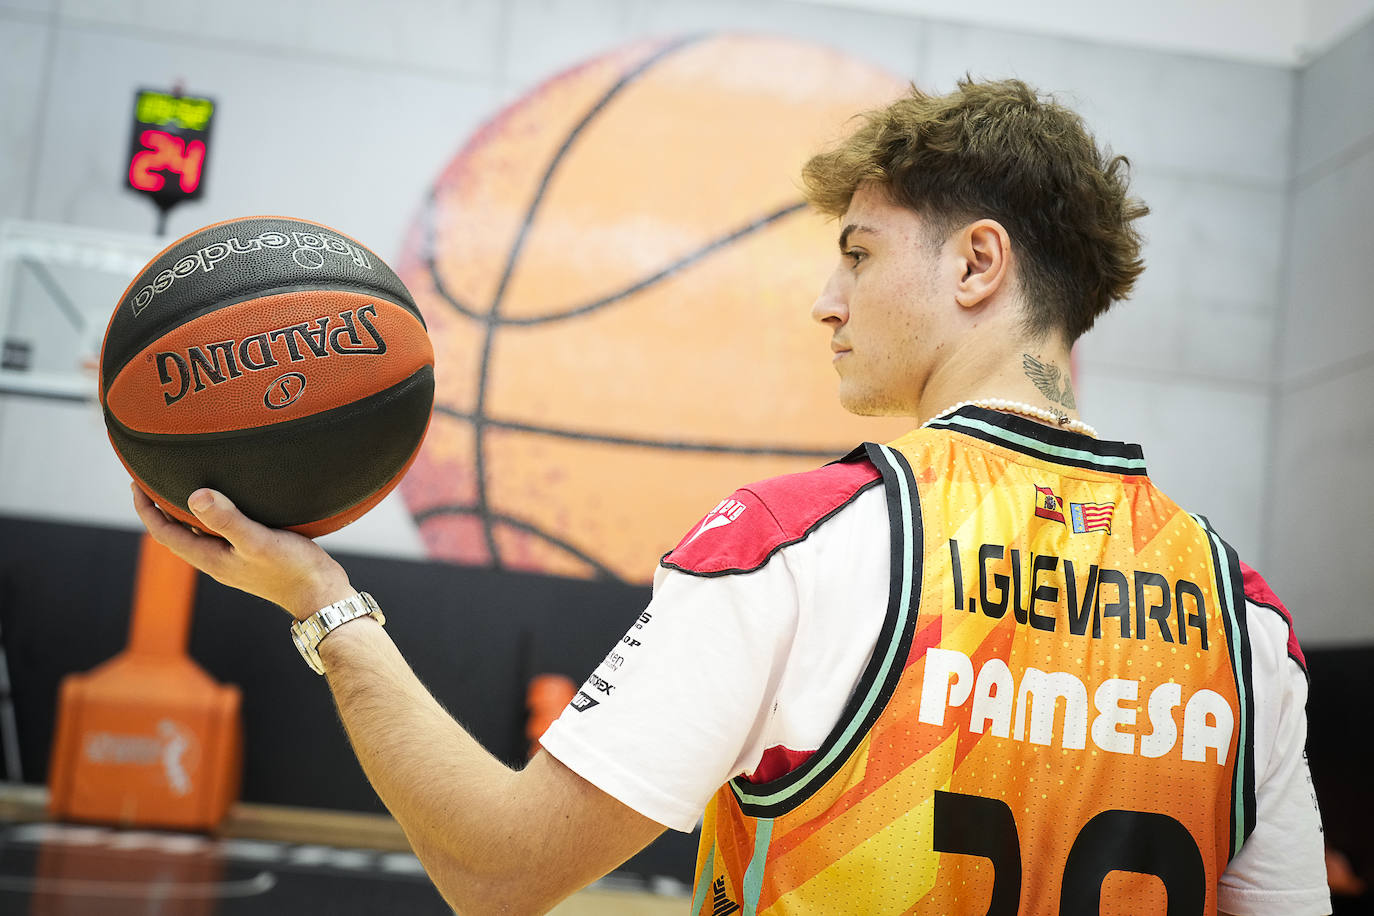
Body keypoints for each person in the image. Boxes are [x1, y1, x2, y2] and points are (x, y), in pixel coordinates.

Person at [133, 78, 1330, 915]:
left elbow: (500, 872)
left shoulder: (798, 548)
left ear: (977, 263)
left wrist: (326, 604)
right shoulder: (1248, 620)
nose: (826, 298)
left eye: (858, 253)